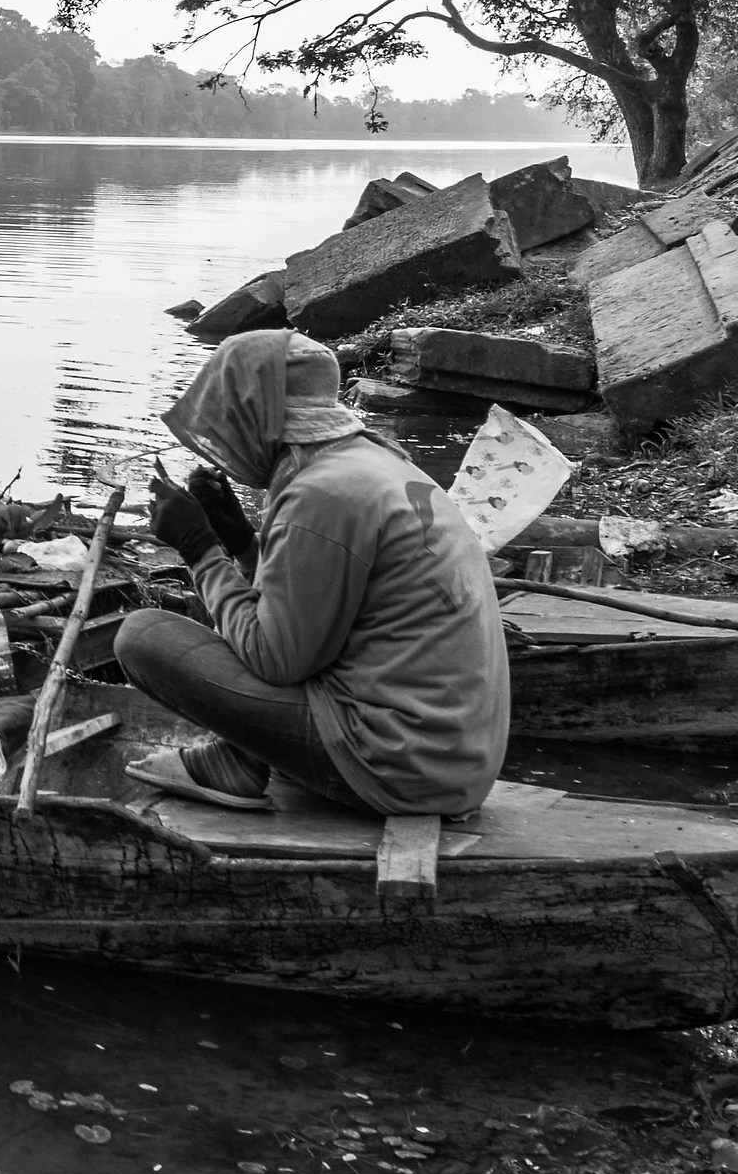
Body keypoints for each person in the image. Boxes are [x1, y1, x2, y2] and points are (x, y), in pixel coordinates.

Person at [114, 330, 509, 817]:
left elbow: (273, 657)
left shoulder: (321, 494)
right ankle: (238, 757)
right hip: (452, 762)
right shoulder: (369, 463)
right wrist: (240, 541)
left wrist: (199, 550)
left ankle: (238, 764)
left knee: (142, 635)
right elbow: (314, 604)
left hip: (396, 765)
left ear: (254, 413)